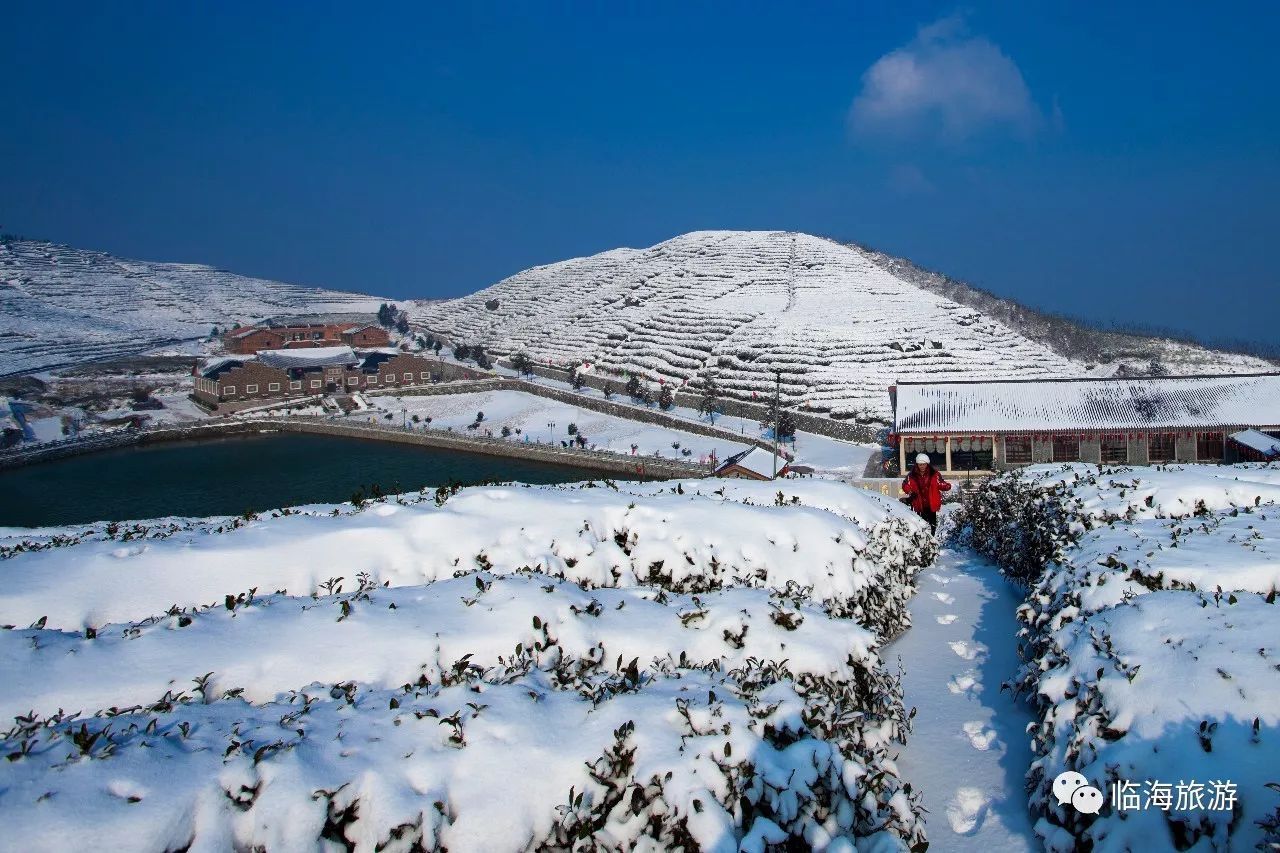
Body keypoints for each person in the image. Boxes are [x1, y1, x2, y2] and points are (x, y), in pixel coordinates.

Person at [901, 452, 951, 533]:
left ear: (927, 464)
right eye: (920, 464)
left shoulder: (934, 474)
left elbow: (940, 483)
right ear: (917, 464)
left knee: (932, 526)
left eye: (924, 464)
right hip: (919, 503)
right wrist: (909, 490)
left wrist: (946, 486)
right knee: (921, 526)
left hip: (931, 503)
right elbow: (905, 484)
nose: (922, 466)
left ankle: (932, 540)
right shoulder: (912, 475)